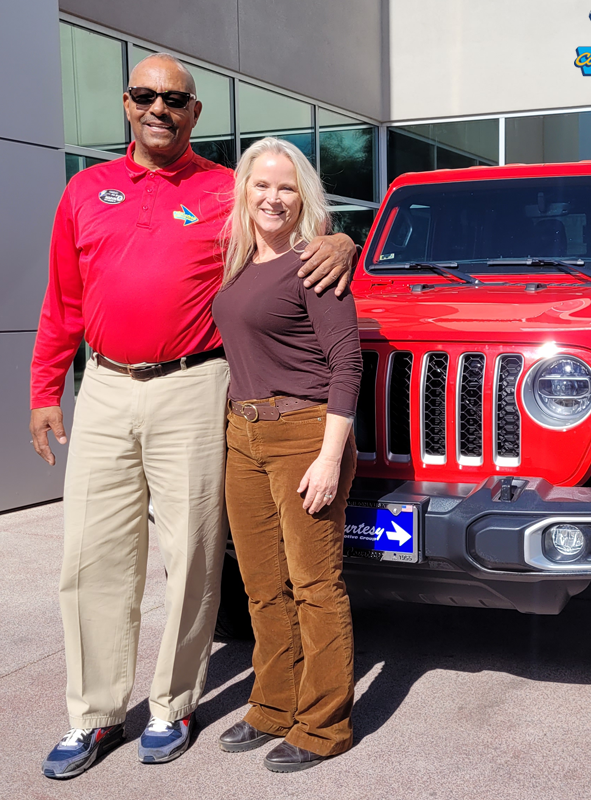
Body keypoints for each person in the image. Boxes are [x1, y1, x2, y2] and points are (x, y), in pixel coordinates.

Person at [31, 54, 356, 779]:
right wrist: (45, 388)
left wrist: (342, 240)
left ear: (194, 112)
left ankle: (173, 704)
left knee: (193, 556)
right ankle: (93, 715)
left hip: (194, 385)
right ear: (126, 104)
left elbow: (289, 229)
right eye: (145, 96)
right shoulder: (84, 190)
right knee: (90, 558)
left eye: (174, 99)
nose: (160, 108)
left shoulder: (225, 191)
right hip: (105, 385)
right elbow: (63, 299)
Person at [211, 137, 361, 773]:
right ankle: (273, 704)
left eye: (287, 187)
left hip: (304, 435)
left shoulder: (314, 263)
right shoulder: (239, 262)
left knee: (315, 586)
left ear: (304, 197)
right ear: (244, 191)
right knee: (262, 587)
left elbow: (346, 364)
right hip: (243, 437)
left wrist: (329, 459)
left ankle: (324, 725)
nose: (273, 198)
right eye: (262, 185)